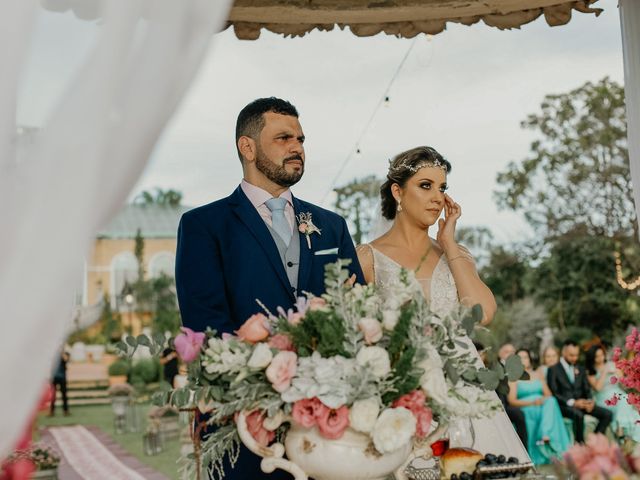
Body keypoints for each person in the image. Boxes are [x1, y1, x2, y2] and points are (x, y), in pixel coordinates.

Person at [175, 97, 364, 480]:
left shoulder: (331, 226)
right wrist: (271, 382)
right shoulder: (204, 225)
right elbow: (205, 325)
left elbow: (359, 310)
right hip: (244, 426)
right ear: (247, 147)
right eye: (283, 138)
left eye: (300, 138)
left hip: (329, 428)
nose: (297, 147)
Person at [356, 146, 527, 461]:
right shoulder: (367, 258)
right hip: (401, 393)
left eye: (442, 187)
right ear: (398, 191)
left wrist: (448, 244)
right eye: (426, 185)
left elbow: (484, 314)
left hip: (465, 388)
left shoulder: (455, 253)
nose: (438, 196)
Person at [507, 349, 570, 464]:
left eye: (525, 357)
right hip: (526, 407)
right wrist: (532, 403)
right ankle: (544, 435)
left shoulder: (538, 375)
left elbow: (548, 394)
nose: (523, 360)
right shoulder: (513, 377)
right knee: (543, 408)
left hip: (542, 404)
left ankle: (545, 433)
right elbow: (512, 401)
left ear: (530, 360)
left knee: (551, 400)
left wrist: (542, 400)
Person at [547, 339, 612, 443]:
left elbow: (586, 388)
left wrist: (590, 400)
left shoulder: (580, 368)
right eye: (571, 355)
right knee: (578, 415)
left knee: (608, 414)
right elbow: (554, 393)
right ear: (563, 352)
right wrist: (573, 403)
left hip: (583, 404)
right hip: (565, 406)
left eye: (576, 355)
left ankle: (593, 441)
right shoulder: (553, 369)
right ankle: (580, 444)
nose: (575, 358)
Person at [585, 344, 640, 442]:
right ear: (592, 357)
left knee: (625, 399)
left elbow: (622, 380)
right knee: (623, 400)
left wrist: (617, 373)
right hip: (602, 398)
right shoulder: (590, 371)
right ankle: (620, 429)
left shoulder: (612, 364)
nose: (600, 358)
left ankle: (620, 429)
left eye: (602, 355)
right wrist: (605, 372)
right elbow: (598, 388)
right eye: (597, 356)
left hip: (616, 392)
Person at [496, 343, 529, 450]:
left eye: (512, 352)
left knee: (520, 413)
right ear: (500, 354)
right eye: (507, 352)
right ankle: (520, 450)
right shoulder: (496, 368)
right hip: (500, 405)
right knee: (518, 413)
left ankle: (524, 450)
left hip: (510, 404)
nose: (510, 354)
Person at [49, 349, 70, 417]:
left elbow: (67, 358)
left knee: (64, 395)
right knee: (53, 396)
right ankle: (52, 411)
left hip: (62, 378)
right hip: (54, 378)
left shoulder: (63, 356)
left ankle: (65, 411)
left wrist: (62, 354)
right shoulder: (52, 358)